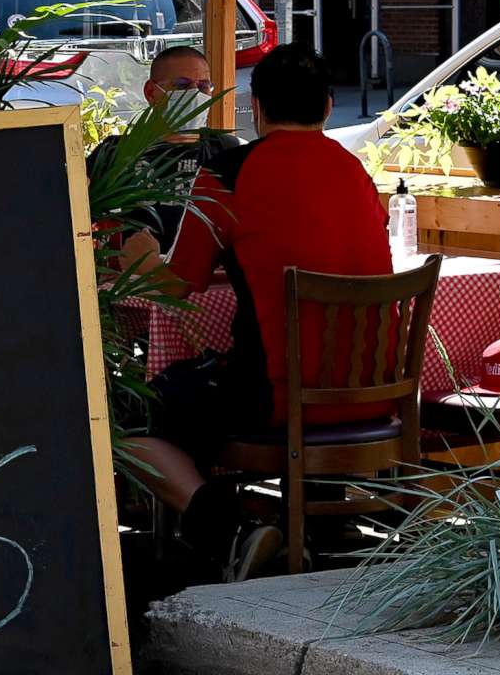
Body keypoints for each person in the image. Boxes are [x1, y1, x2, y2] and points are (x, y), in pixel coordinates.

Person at [128, 43, 393, 580]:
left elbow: (179, 284)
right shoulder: (357, 173)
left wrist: (139, 258)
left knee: (128, 420)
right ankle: (310, 521)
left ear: (256, 107)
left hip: (275, 398)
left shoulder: (228, 173)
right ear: (325, 107)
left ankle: (229, 530)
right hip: (376, 394)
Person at [92, 44, 242, 262]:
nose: (194, 94)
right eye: (182, 85)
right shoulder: (117, 152)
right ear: (151, 92)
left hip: (211, 278)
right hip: (135, 281)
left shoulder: (227, 150)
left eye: (203, 86)